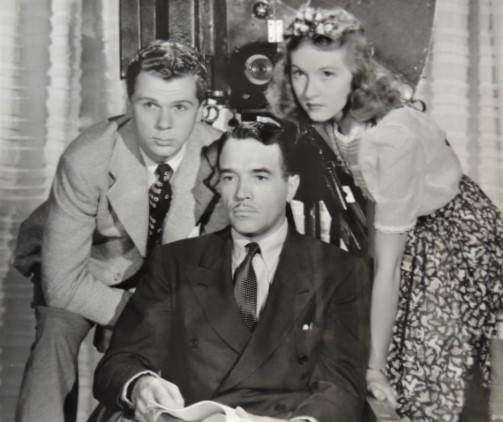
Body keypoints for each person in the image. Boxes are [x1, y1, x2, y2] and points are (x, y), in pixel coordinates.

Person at [266, 6, 503, 421]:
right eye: (299, 73)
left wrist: (375, 370)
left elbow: (388, 267)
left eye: (327, 74)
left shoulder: (392, 138)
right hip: (401, 219)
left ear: (357, 75)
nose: (309, 90)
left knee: (420, 375)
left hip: (456, 231)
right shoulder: (328, 115)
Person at [12, 40, 229, 422]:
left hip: (163, 279)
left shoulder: (223, 159)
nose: (165, 125)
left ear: (201, 108)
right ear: (129, 104)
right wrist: (137, 314)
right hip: (83, 268)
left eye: (180, 107)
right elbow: (63, 283)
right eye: (149, 105)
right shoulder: (86, 159)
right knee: (55, 337)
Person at [92, 121, 366, 422]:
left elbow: (341, 383)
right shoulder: (174, 263)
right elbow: (119, 362)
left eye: (259, 177)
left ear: (291, 186)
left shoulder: (338, 270)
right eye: (230, 178)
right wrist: (140, 384)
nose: (242, 193)